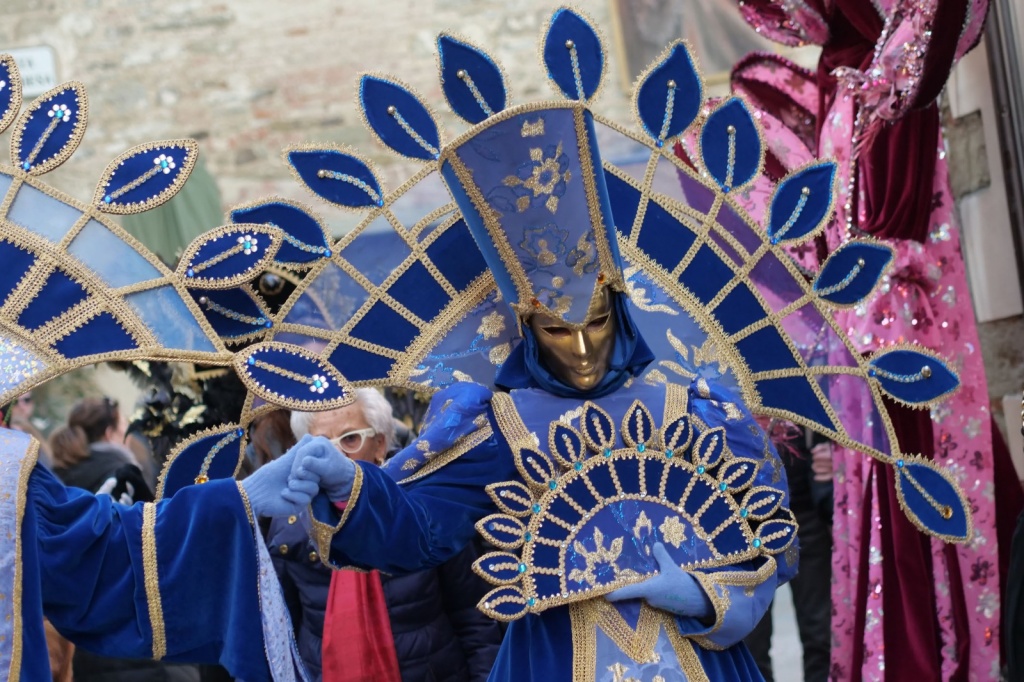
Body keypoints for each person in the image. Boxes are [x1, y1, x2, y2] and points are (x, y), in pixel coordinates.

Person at [274, 390, 502, 682]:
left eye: (350, 439)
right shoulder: (288, 527)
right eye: (320, 446)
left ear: (380, 443)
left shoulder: (425, 510)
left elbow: (473, 617)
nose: (336, 456)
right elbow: (280, 634)